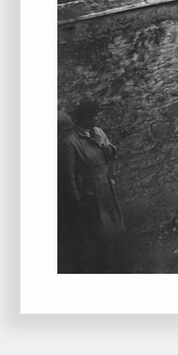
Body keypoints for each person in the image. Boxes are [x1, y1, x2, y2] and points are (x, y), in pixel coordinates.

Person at [58, 98, 126, 272]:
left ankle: (117, 263)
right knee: (98, 232)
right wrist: (76, 199)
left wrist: (107, 149)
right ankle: (101, 268)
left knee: (114, 226)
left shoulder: (97, 132)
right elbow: (69, 175)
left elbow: (111, 153)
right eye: (92, 117)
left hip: (106, 186)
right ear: (83, 118)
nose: (96, 120)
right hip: (90, 193)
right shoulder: (70, 142)